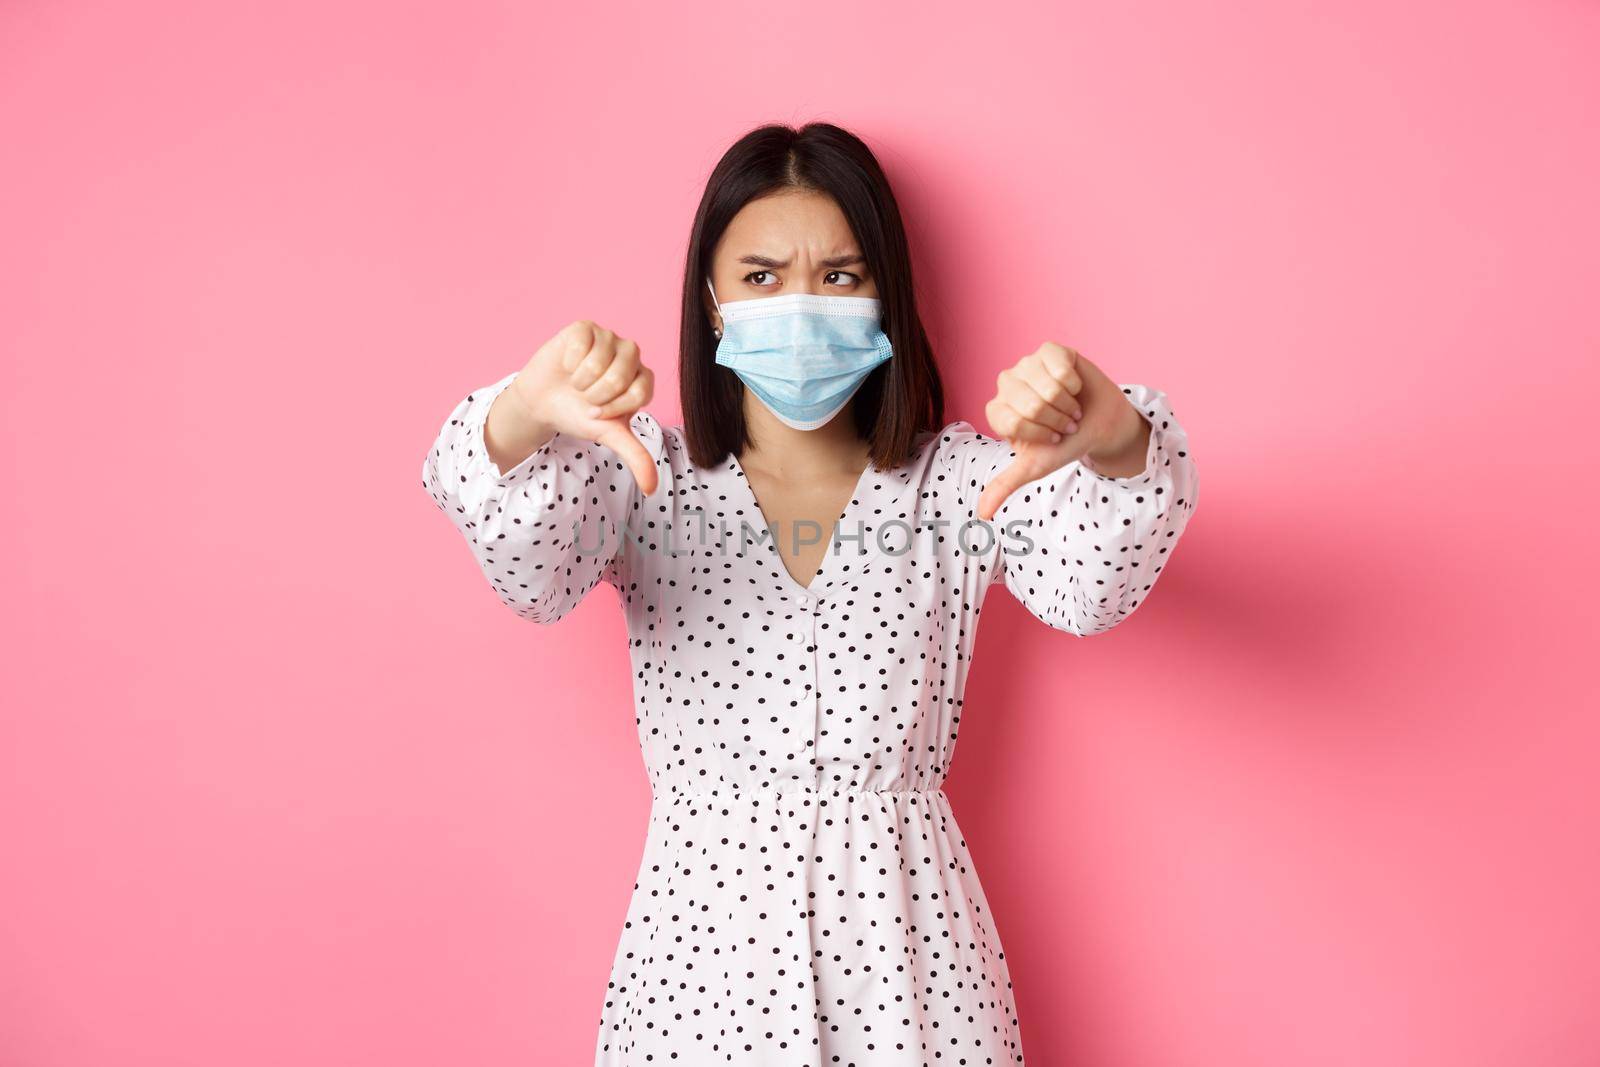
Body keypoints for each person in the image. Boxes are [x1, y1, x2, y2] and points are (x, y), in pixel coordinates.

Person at [420, 121, 1199, 1066]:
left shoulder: (957, 482)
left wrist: (1120, 440)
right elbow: (531, 572)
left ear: (885, 298)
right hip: (698, 971)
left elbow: (1091, 585)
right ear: (711, 303)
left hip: (913, 964)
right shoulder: (642, 478)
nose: (799, 304)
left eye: (839, 274)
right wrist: (520, 415)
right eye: (760, 276)